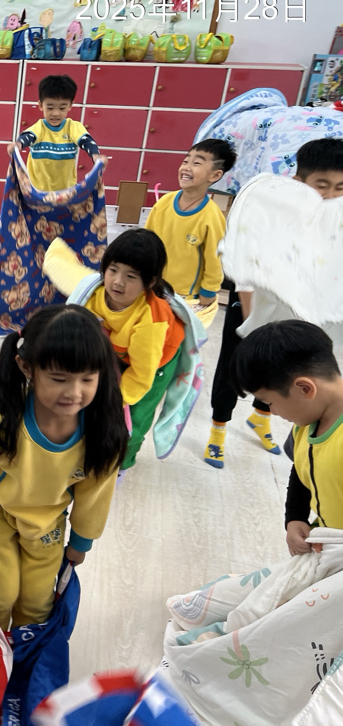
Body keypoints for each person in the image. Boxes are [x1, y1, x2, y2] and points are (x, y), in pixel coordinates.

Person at [0, 305, 127, 628]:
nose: (74, 392)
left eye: (87, 379)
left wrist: (81, 541)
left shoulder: (101, 435)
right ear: (26, 367)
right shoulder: (4, 420)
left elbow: (95, 494)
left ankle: (23, 651)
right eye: (59, 379)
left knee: (38, 603)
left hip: (47, 523)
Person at [205, 138, 343, 468]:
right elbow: (246, 269)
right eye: (321, 185)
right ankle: (218, 430)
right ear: (299, 184)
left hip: (300, 320)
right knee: (234, 369)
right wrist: (253, 324)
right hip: (252, 311)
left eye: (340, 188)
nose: (330, 195)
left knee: (288, 372)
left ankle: (261, 418)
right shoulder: (271, 212)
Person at [231, 320, 343, 557]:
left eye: (270, 402)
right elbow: (303, 469)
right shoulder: (307, 422)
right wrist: (295, 517)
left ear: (305, 389)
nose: (272, 412)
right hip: (327, 546)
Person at [78, 229, 185, 470]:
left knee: (133, 418)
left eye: (131, 276)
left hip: (157, 362)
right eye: (113, 270)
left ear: (150, 282)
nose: (118, 281)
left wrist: (114, 401)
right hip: (120, 350)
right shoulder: (94, 295)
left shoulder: (150, 320)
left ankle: (123, 463)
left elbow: (141, 375)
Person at [144, 138, 236, 307]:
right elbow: (146, 242)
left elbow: (215, 260)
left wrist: (208, 292)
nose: (186, 167)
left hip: (186, 298)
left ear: (215, 175)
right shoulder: (164, 203)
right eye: (185, 161)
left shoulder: (211, 216)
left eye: (196, 163)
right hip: (152, 288)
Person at [6, 74, 103, 191]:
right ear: (40, 105)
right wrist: (18, 144)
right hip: (37, 192)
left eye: (62, 108)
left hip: (66, 192)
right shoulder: (39, 128)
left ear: (70, 106)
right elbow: (27, 137)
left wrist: (96, 156)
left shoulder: (73, 127)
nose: (56, 113)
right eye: (50, 108)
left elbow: (86, 142)